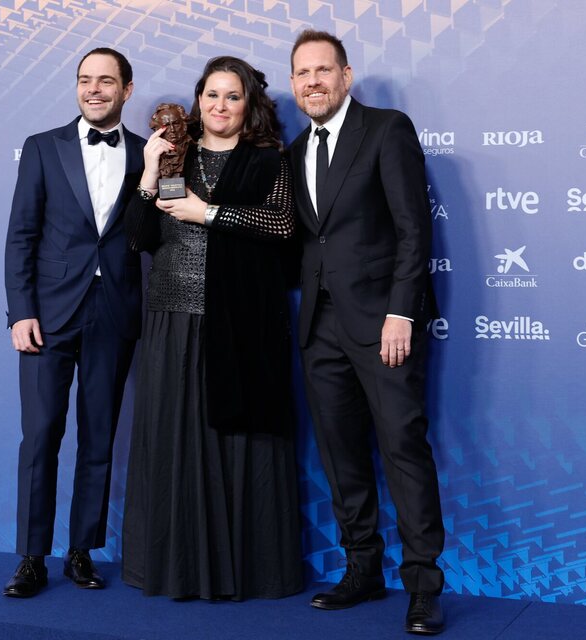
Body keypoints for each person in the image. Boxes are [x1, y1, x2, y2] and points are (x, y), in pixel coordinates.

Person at [122, 56, 302, 601]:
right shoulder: (176, 155)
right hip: (173, 318)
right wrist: (150, 174)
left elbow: (282, 225)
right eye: (211, 95)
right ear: (197, 100)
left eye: (232, 96)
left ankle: (248, 572)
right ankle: (177, 568)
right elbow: (138, 238)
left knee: (241, 440)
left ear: (249, 105)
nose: (219, 106)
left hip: (242, 322)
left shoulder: (267, 160)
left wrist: (211, 213)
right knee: (176, 440)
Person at [287, 30, 446, 634]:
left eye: (323, 70)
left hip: (384, 326)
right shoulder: (297, 148)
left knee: (403, 449)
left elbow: (414, 230)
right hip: (318, 326)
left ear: (346, 76)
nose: (313, 82)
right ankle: (362, 567)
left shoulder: (386, 129)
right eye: (302, 74)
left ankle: (424, 585)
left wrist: (402, 312)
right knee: (341, 454)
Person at [2, 47, 145, 598]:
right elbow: (21, 235)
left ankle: (81, 551)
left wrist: (158, 172)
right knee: (40, 437)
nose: (93, 90)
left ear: (126, 90)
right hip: (49, 316)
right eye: (85, 80)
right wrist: (21, 312)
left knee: (99, 437)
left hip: (114, 313)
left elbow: (151, 230)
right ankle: (31, 558)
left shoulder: (144, 154)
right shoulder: (42, 148)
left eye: (106, 82)